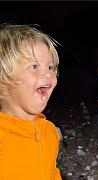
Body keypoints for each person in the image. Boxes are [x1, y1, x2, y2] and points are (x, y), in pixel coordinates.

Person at [0, 24, 61, 179]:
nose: (47, 74)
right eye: (34, 66)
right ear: (3, 80)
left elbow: (52, 172)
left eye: (50, 67)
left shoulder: (50, 132)